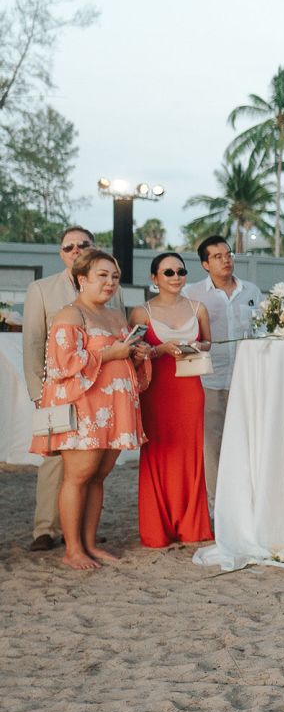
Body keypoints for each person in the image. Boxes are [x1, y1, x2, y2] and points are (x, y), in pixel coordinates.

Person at [34, 250, 152, 569]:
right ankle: (72, 549)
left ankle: (89, 543)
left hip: (114, 406)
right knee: (78, 476)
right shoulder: (71, 315)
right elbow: (62, 366)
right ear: (82, 279)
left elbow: (120, 356)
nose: (110, 282)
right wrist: (111, 354)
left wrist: (135, 355)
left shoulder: (115, 316)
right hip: (85, 408)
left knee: (99, 477)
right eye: (102, 275)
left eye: (114, 276)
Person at [20, 225, 118, 551]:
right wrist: (38, 391)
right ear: (60, 253)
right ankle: (45, 529)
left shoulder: (110, 286)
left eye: (83, 244)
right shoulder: (42, 289)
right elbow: (33, 342)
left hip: (98, 394)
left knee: (90, 468)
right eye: (69, 246)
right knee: (55, 462)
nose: (76, 250)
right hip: (59, 391)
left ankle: (76, 529)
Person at [131, 252, 214, 549]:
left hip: (190, 388)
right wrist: (159, 350)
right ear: (154, 278)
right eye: (168, 272)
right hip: (156, 389)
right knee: (158, 452)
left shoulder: (198, 308)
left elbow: (208, 342)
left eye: (180, 271)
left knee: (190, 454)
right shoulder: (141, 313)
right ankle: (158, 528)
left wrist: (194, 345)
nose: (176, 276)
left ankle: (192, 525)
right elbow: (134, 352)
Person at [188, 235, 260, 516]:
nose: (226, 259)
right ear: (206, 264)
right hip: (210, 379)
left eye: (228, 254)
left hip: (246, 379)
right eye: (217, 256)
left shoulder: (251, 290)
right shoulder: (193, 294)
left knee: (246, 442)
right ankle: (217, 507)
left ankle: (246, 501)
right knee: (212, 446)